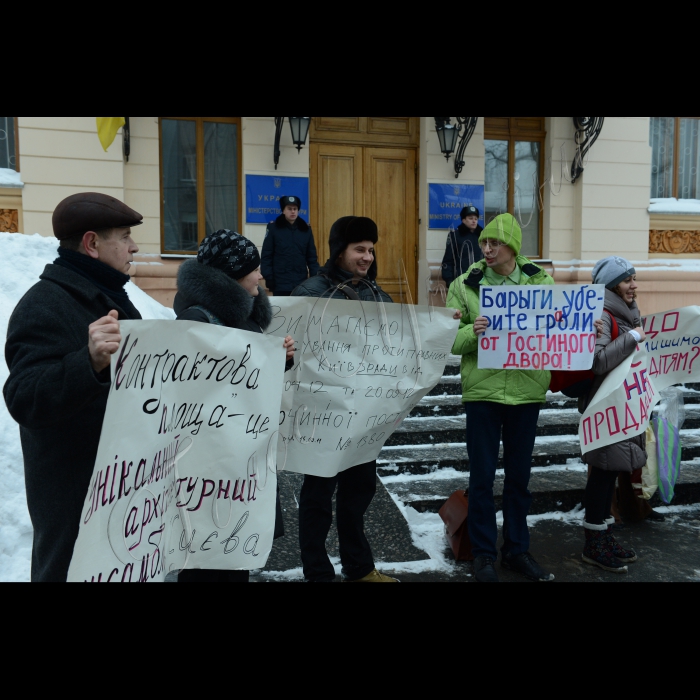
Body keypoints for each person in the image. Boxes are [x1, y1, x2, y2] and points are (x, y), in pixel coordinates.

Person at [3, 192, 143, 583]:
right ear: (92, 244)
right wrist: (89, 362)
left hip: (120, 489)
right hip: (75, 501)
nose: (134, 247)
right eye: (125, 236)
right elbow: (24, 398)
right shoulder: (44, 303)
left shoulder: (111, 297)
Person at [174, 229, 296, 583]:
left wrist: (277, 361)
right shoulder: (196, 321)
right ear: (231, 274)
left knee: (233, 559)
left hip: (240, 464)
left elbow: (247, 386)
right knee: (207, 565)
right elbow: (187, 396)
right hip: (211, 472)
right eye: (253, 269)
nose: (261, 276)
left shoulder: (241, 316)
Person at [447, 213, 556, 584]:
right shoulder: (465, 284)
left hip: (527, 393)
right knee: (481, 479)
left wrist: (585, 326)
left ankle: (517, 550)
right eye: (484, 244)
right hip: (483, 394)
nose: (487, 249)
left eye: (494, 243)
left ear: (512, 245)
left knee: (519, 479)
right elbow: (447, 337)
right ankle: (482, 555)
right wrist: (473, 333)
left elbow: (558, 329)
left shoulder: (541, 281)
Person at [292, 216, 398, 583]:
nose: (367, 256)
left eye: (371, 249)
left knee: (358, 495)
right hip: (322, 415)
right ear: (340, 251)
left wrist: (440, 324)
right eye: (359, 249)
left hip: (363, 415)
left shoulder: (377, 294)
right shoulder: (309, 292)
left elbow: (400, 341)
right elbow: (290, 347)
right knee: (318, 497)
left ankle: (360, 567)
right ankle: (317, 571)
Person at [580, 257, 649, 574]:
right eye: (627, 280)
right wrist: (633, 337)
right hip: (604, 408)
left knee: (610, 472)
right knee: (603, 472)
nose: (633, 285)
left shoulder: (626, 312)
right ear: (611, 286)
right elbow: (597, 361)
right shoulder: (603, 314)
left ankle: (604, 537)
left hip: (622, 406)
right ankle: (593, 544)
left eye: (633, 278)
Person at [261, 195, 320, 297]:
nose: (293, 212)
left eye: (295, 209)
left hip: (301, 282)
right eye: (289, 209)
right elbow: (266, 255)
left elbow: (312, 257)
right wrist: (269, 277)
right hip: (280, 282)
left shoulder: (305, 230)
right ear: (283, 211)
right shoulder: (274, 228)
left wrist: (315, 277)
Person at [441, 206, 484, 290]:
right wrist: (449, 280)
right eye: (470, 218)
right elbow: (448, 260)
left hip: (481, 280)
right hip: (461, 280)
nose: (474, 221)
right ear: (463, 220)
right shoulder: (455, 236)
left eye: (476, 218)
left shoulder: (482, 236)